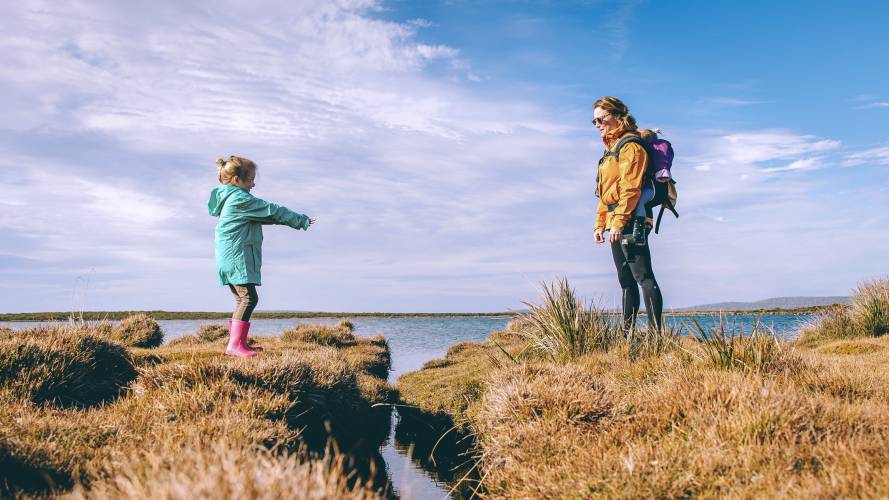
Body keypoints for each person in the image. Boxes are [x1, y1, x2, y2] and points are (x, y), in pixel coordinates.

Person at [208, 156, 316, 357]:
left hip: (229, 257)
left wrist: (296, 222)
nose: (253, 183)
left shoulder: (230, 198)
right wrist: (300, 219)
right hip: (236, 256)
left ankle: (239, 343)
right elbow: (271, 210)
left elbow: (269, 217)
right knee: (249, 299)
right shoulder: (240, 199)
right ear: (236, 180)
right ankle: (234, 346)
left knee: (242, 299)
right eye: (250, 179)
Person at [592, 97, 664, 331]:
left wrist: (619, 223)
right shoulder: (609, 150)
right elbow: (606, 193)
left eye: (601, 118)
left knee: (643, 276)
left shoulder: (630, 146)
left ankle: (656, 338)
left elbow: (630, 189)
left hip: (633, 218)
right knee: (625, 282)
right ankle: (627, 337)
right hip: (615, 220)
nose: (598, 124)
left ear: (617, 115)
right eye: (594, 121)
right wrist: (600, 224)